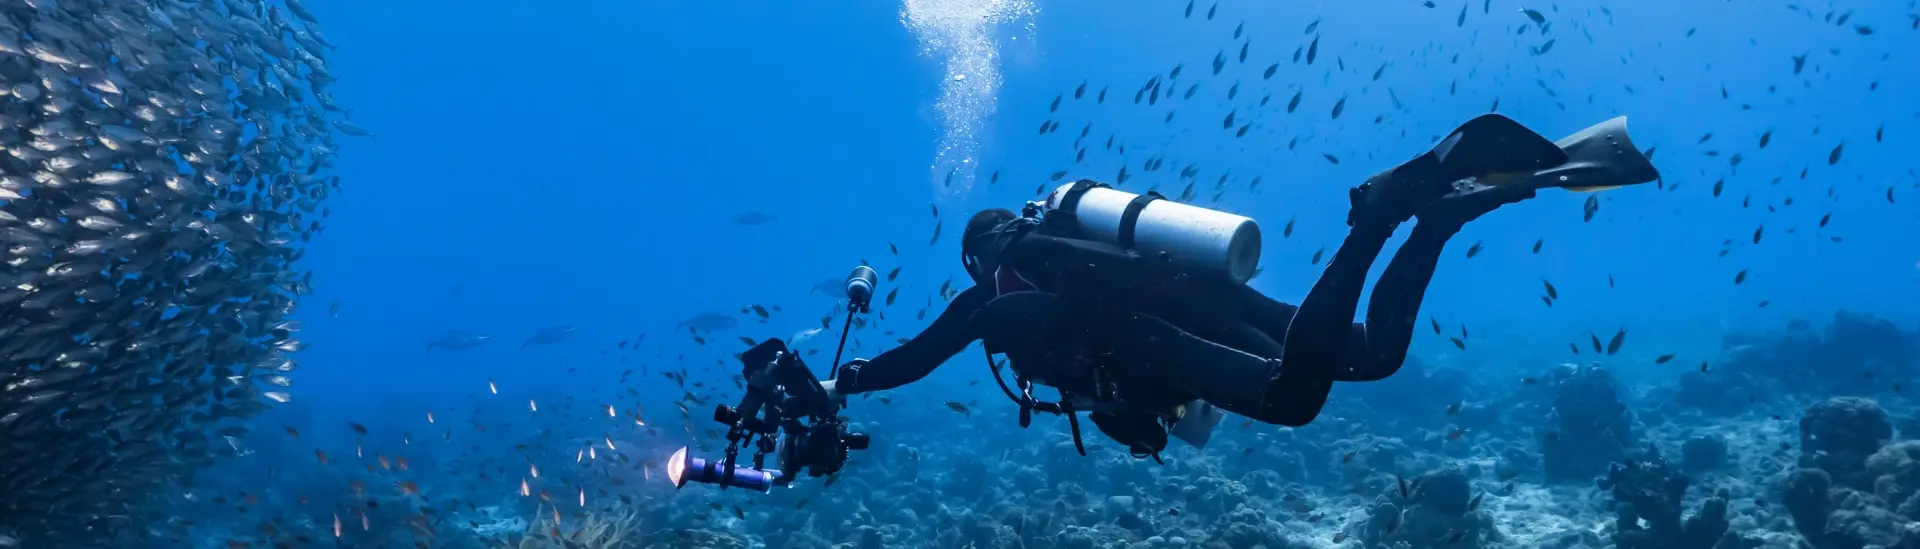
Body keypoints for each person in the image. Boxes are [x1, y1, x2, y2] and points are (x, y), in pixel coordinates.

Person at [820, 114, 1658, 458]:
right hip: (1188, 287)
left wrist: (842, 379)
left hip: (1146, 329)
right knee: (1369, 357)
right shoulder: (1057, 253)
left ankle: (1382, 214)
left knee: (1295, 397)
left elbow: (915, 358)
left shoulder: (993, 294)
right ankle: (1437, 216)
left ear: (976, 255)